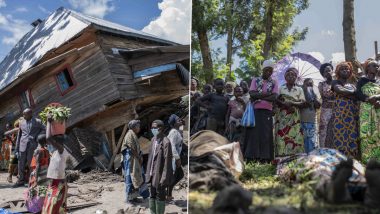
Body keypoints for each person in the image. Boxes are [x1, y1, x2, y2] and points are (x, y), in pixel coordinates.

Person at [242, 60, 278, 162]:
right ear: (263, 70)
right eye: (267, 70)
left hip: (267, 111)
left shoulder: (274, 82)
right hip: (255, 110)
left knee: (266, 134)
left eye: (271, 71)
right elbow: (252, 94)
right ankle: (252, 157)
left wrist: (260, 95)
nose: (269, 72)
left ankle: (265, 158)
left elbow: (275, 97)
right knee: (254, 134)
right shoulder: (255, 80)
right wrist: (267, 94)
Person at [331, 62, 360, 159]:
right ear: (338, 71)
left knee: (352, 137)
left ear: (350, 71)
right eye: (342, 69)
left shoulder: (352, 85)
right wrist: (353, 93)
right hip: (340, 115)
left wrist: (351, 94)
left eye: (347, 69)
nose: (345, 70)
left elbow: (357, 97)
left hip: (352, 115)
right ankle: (341, 162)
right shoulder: (335, 82)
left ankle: (353, 163)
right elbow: (340, 91)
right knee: (340, 136)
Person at [275, 67, 305, 156]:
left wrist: (291, 103)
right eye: (288, 75)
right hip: (282, 117)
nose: (291, 76)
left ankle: (295, 157)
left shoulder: (299, 89)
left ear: (296, 77)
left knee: (295, 137)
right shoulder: (281, 88)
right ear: (285, 77)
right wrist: (284, 104)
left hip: (294, 117)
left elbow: (303, 103)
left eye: (293, 75)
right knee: (281, 135)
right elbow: (276, 100)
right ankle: (281, 157)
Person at [13, 108, 45, 187]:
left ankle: (32, 181)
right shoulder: (22, 122)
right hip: (22, 146)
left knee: (31, 164)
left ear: (30, 114)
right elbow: (19, 136)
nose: (23, 116)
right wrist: (16, 149)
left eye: (25, 114)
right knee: (21, 164)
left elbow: (44, 129)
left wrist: (37, 136)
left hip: (32, 145)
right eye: (23, 114)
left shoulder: (37, 121)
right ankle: (20, 181)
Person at [120, 120, 149, 207]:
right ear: (134, 127)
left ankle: (134, 197)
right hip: (130, 161)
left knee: (136, 177)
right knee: (130, 178)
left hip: (134, 159)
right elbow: (131, 148)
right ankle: (129, 199)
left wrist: (140, 156)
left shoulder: (133, 134)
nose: (139, 128)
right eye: (138, 126)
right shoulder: (130, 134)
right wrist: (139, 157)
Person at [146, 120, 173, 214]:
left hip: (160, 175)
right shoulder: (153, 140)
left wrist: (164, 178)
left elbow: (167, 163)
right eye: (152, 128)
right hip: (151, 174)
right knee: (152, 195)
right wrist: (147, 174)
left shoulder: (166, 142)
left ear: (160, 128)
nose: (152, 129)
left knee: (160, 197)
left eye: (154, 128)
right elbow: (150, 158)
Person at [356, 60, 380, 162]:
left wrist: (377, 98)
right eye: (374, 66)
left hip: (378, 111)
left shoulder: (379, 81)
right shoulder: (362, 80)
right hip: (365, 112)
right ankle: (367, 162)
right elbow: (358, 94)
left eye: (378, 66)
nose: (377, 68)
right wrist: (368, 99)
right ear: (368, 68)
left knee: (378, 134)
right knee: (366, 135)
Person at [26, 134, 50, 213]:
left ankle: (36, 208)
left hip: (39, 174)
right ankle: (41, 207)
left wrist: (36, 178)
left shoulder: (39, 150)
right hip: (45, 174)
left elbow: (38, 165)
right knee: (43, 191)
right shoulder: (46, 150)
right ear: (45, 141)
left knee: (36, 191)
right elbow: (48, 163)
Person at [300, 78, 321, 154]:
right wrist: (305, 91)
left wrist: (314, 97)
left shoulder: (314, 92)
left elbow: (318, 105)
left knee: (312, 141)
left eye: (311, 84)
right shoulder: (300, 91)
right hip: (301, 120)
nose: (309, 85)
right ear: (303, 84)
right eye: (307, 83)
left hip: (312, 120)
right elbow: (302, 104)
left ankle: (312, 157)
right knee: (303, 140)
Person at [166, 114, 184, 201]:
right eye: (177, 120)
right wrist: (177, 158)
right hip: (173, 158)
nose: (180, 120)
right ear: (173, 123)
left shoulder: (177, 131)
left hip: (175, 157)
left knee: (178, 175)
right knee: (179, 175)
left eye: (179, 118)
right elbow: (172, 146)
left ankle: (168, 194)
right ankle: (167, 194)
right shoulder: (173, 132)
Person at [318, 63, 335, 148]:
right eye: (325, 72)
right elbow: (324, 97)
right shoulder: (321, 84)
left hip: (337, 109)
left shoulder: (338, 83)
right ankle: (324, 151)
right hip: (326, 110)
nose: (327, 72)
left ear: (332, 71)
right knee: (324, 130)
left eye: (329, 70)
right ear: (323, 74)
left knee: (335, 129)